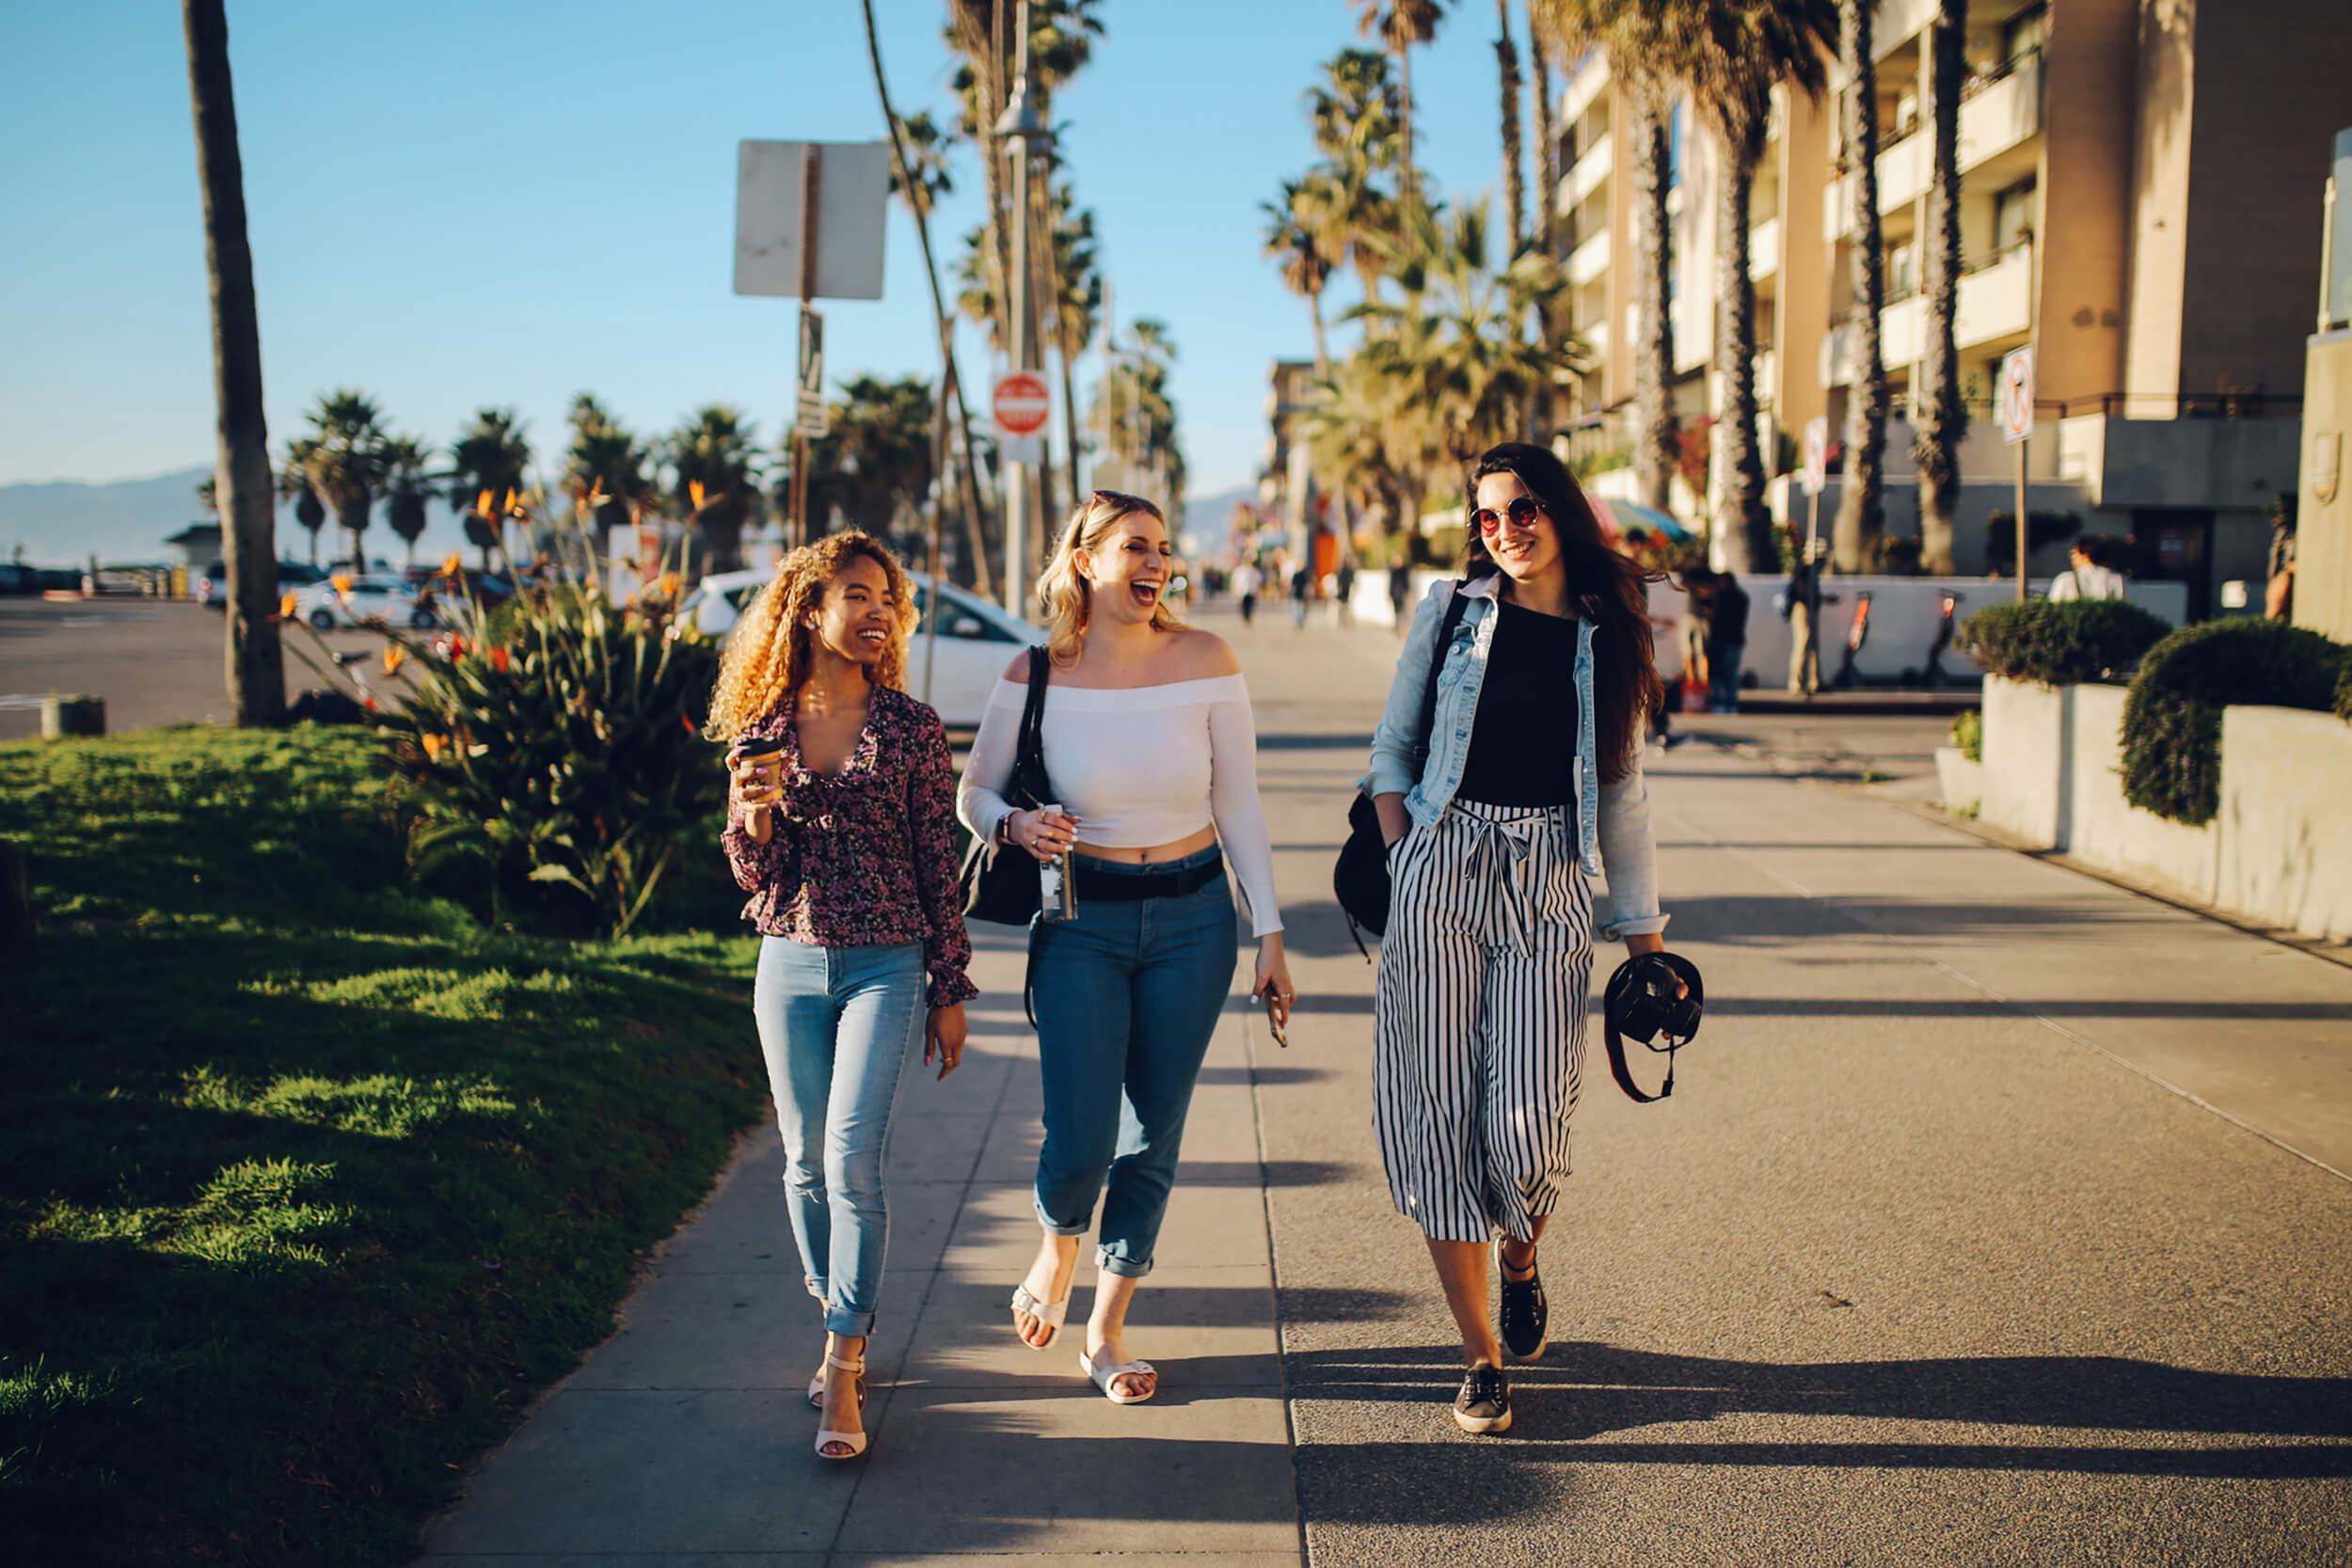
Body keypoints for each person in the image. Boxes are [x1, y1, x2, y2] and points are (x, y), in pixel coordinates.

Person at [959, 489, 1293, 1406]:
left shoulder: (1206, 657)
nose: (1156, 564)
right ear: (1084, 560)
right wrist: (1015, 821)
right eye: (1134, 547)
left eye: (1164, 550)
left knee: (1153, 1133)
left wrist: (1268, 928)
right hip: (1081, 921)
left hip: (1193, 920)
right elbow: (974, 793)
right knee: (1078, 1136)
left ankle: (1104, 1330)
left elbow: (1240, 802)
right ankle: (1055, 1243)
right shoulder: (1034, 672)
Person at [1365, 441, 1671, 1435]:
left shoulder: (1607, 632)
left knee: (1528, 1121)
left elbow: (1620, 788)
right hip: (1441, 868)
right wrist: (1404, 845)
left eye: (1525, 508)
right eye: (1488, 517)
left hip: (1548, 878)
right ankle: (1480, 1357)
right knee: (1437, 1120)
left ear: (1562, 510)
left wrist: (1643, 936)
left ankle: (1522, 1255)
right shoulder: (1449, 613)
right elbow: (1392, 750)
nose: (1506, 530)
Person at [710, 531, 976, 1462]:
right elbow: (756, 875)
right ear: (807, 608)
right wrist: (750, 817)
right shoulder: (764, 728)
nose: (876, 612)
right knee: (802, 1162)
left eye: (886, 598)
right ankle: (840, 1310)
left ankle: (844, 1362)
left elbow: (937, 867)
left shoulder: (909, 726)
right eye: (857, 594)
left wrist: (950, 985)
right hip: (787, 959)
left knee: (853, 1158)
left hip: (886, 964)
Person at [1704, 568, 1748, 713]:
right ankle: (1731, 702)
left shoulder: (1720, 597)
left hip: (1721, 641)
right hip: (1735, 640)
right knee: (1732, 673)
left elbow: (1716, 618)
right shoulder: (1742, 597)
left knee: (1718, 672)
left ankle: (1719, 701)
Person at [2048, 536, 2127, 602]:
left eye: (2074, 553)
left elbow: (2054, 609)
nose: (2072, 557)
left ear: (2086, 555)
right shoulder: (2117, 578)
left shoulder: (2064, 579)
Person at [1232, 557, 1262, 627]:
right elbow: (1234, 581)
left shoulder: (1254, 571)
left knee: (1250, 605)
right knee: (1243, 606)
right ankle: (1245, 617)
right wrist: (1234, 590)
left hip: (1252, 591)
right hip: (1242, 591)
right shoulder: (1239, 570)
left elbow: (1259, 581)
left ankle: (1248, 617)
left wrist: (1258, 591)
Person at [1388, 555, 1414, 633]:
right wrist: (1390, 593)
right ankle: (1397, 625)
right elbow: (1391, 583)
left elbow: (1406, 582)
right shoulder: (1393, 570)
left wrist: (1408, 592)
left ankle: (1402, 626)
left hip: (1402, 593)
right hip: (1395, 593)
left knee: (1402, 610)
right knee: (1396, 610)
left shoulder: (1404, 570)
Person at [1334, 559, 1359, 628]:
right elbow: (1352, 580)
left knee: (1343, 606)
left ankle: (1344, 621)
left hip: (1344, 591)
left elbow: (1339, 581)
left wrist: (1339, 588)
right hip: (1347, 591)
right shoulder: (1348, 570)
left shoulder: (1342, 570)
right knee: (1346, 607)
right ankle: (1345, 621)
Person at [1290, 560, 1312, 629]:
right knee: (1298, 609)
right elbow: (1293, 585)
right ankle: (1299, 622)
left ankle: (1301, 622)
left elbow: (1308, 585)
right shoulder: (1297, 574)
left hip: (1303, 594)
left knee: (1302, 609)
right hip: (1298, 593)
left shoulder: (1305, 574)